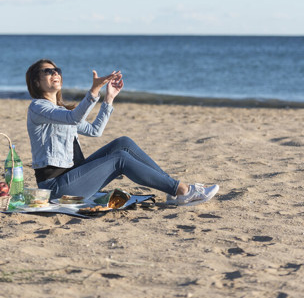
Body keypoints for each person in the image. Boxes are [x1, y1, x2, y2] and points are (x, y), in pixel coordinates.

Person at [25, 59, 219, 207]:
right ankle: (182, 190)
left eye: (57, 70)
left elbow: (94, 131)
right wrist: (94, 90)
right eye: (48, 71)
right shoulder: (37, 108)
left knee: (123, 143)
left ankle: (174, 190)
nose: (55, 73)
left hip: (74, 178)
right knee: (120, 159)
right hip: (56, 188)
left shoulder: (61, 111)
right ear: (36, 80)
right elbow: (75, 118)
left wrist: (108, 99)